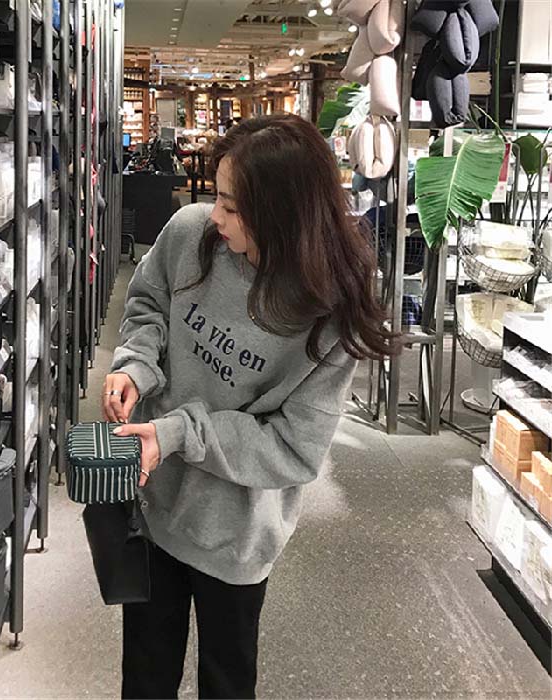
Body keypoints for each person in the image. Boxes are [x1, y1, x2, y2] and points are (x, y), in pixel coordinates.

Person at [101, 113, 397, 699]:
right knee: (145, 675)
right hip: (152, 504)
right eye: (217, 196)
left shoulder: (327, 314)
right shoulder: (190, 234)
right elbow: (149, 303)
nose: (215, 215)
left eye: (232, 207)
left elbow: (294, 448)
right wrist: (136, 363)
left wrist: (178, 433)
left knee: (227, 680)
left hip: (235, 531)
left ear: (283, 215)